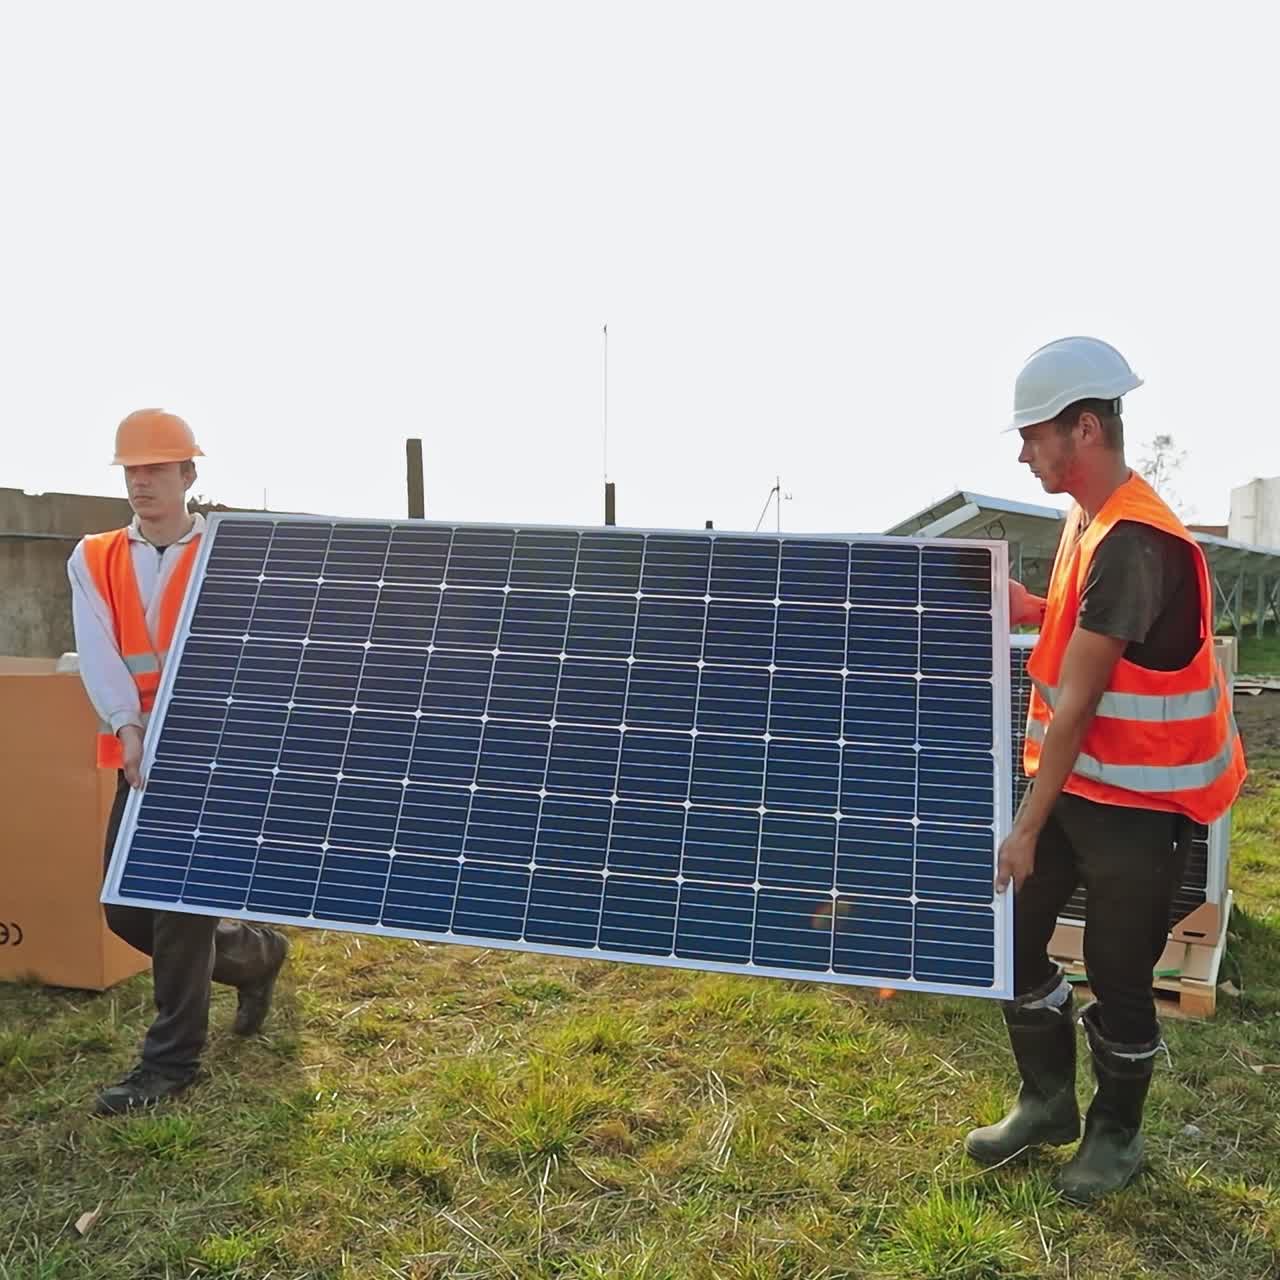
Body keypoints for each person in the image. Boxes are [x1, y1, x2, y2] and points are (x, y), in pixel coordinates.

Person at [966, 338, 1246, 1201]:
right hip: (1080, 785)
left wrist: (1024, 826)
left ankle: (1115, 1136)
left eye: (1034, 435)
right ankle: (1046, 1101)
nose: (1024, 453)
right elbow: (1088, 630)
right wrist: (1030, 605)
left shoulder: (1135, 540)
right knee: (1014, 939)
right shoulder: (1087, 518)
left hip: (1139, 804)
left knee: (1121, 977)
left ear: (1084, 429)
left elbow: (1081, 701)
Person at [69, 409, 289, 1117]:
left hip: (216, 753)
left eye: (157, 469)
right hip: (141, 753)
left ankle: (170, 1062)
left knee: (177, 908)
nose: (142, 482)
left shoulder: (232, 550)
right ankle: (256, 955)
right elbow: (100, 651)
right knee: (127, 912)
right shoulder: (94, 556)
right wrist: (127, 726)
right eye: (132, 470)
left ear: (188, 474)